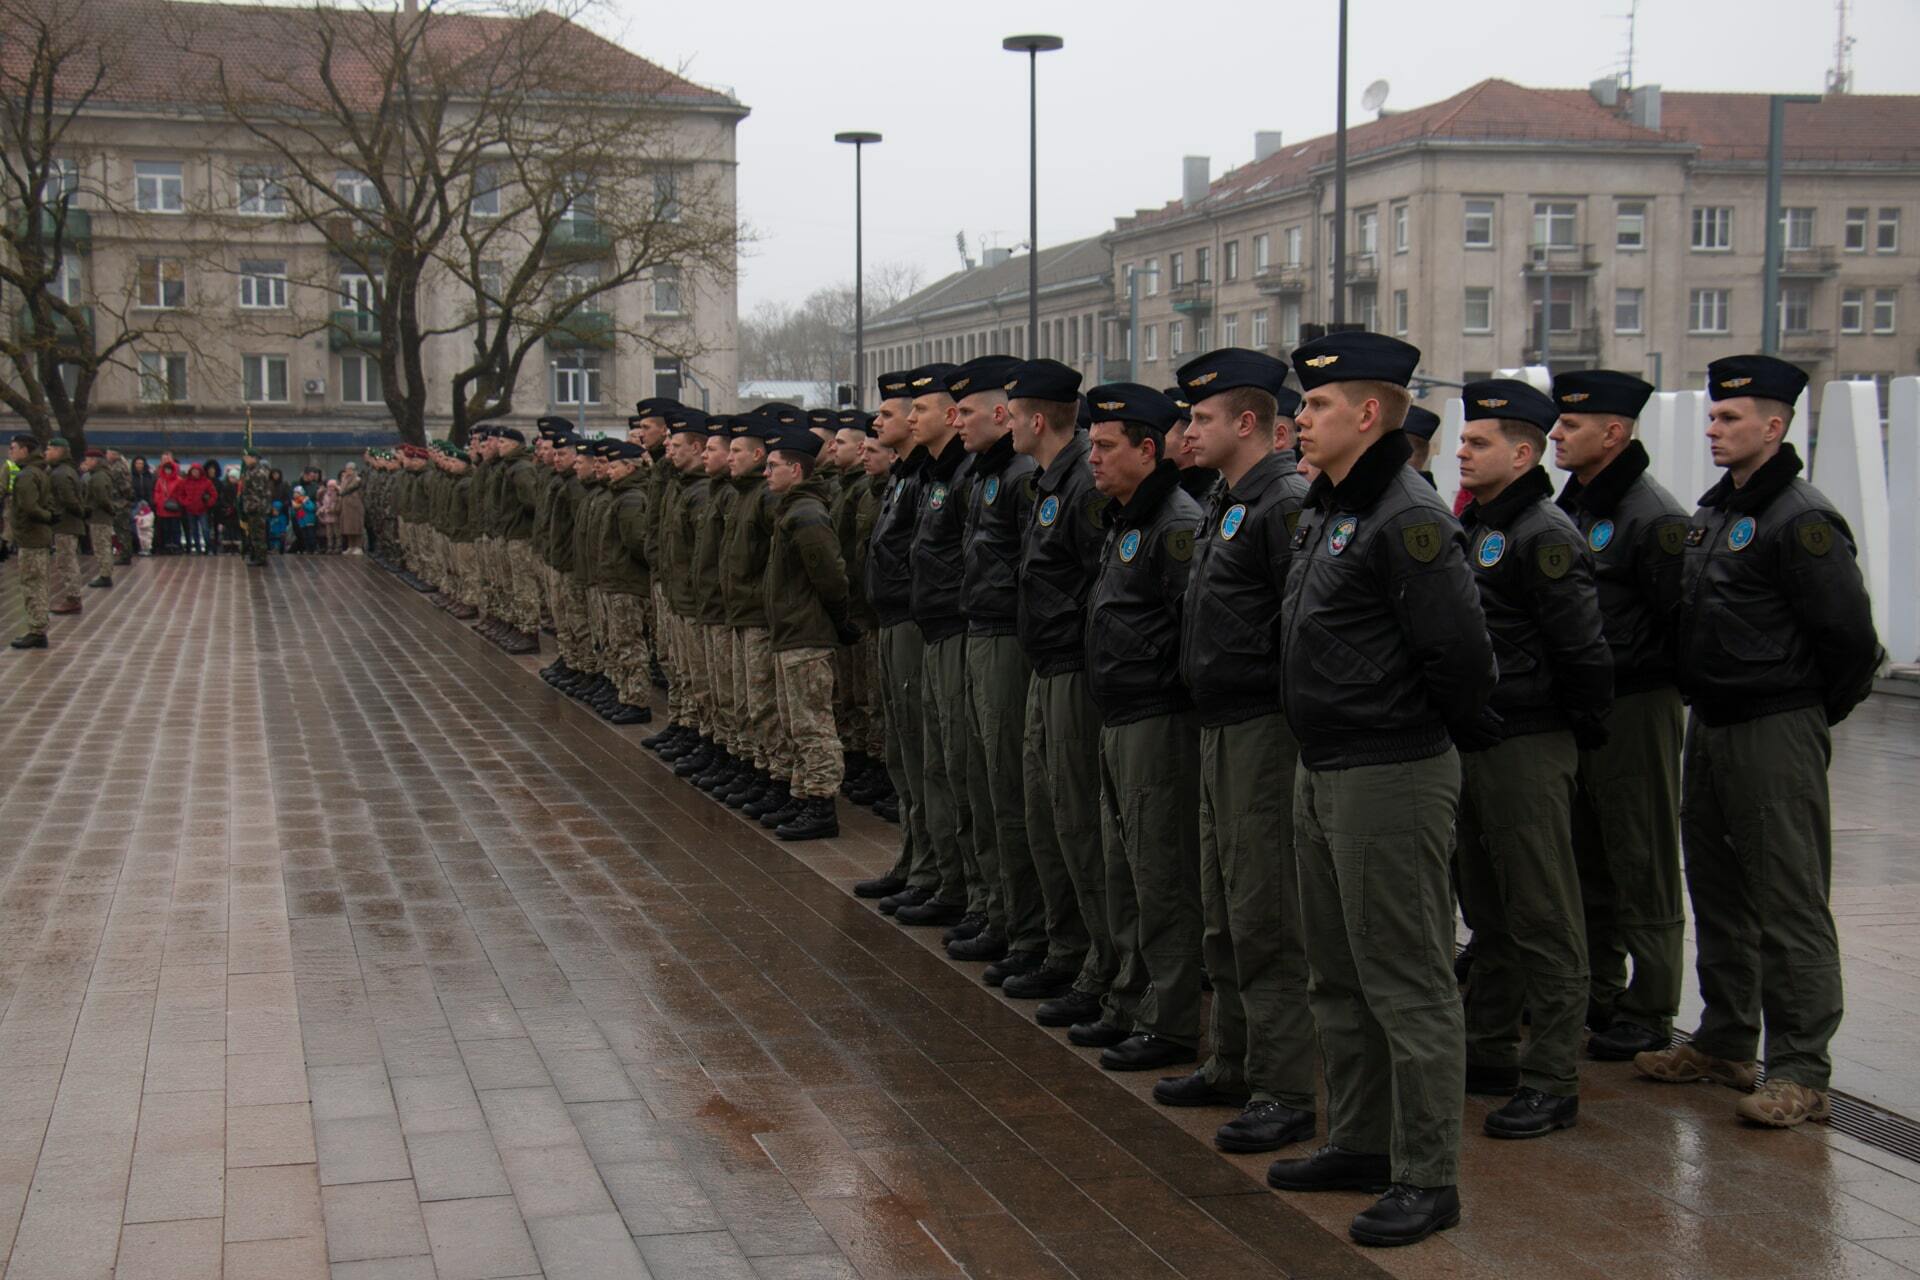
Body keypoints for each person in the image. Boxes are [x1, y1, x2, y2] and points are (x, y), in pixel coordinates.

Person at [1266, 331, 1495, 1249]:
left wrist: (1418, 740)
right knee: (1337, 973)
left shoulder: (1408, 515)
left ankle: (1427, 1172)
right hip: (1325, 764)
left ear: (1368, 413)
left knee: (1407, 980)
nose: (1301, 419)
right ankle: (1359, 1140)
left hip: (1390, 769)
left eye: (1316, 406)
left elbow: (1462, 657)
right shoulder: (1332, 506)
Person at [1635, 354, 1883, 1128]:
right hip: (1710, 725)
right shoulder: (1715, 513)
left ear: (1774, 427)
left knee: (1788, 898)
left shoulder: (1801, 519)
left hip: (1773, 728)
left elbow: (1850, 641)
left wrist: (1798, 714)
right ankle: (1725, 1039)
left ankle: (1802, 1067)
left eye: (1730, 418)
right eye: (1711, 416)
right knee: (1717, 887)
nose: (1714, 428)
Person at [1161, 348, 1319, 1155]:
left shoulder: (1284, 502)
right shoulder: (1232, 500)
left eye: (1202, 418)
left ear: (1247, 423)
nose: (1189, 431)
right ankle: (1232, 1060)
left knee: (1267, 912)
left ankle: (1285, 1086)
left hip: (1262, 727)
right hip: (1221, 723)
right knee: (1225, 903)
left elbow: (1300, 629)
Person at [1453, 378, 1612, 1140]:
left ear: (1522, 453)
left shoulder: (1544, 534)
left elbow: (1582, 650)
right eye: (1463, 438)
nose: (1461, 449)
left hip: (1528, 740)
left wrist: (1566, 727)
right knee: (1487, 908)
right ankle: (1487, 1049)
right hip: (1483, 737)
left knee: (1542, 909)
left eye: (1478, 441)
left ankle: (1551, 1075)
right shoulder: (1482, 526)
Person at [1547, 370, 1691, 1061]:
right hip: (1583, 704)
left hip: (1636, 703)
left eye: (1571, 426)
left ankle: (1653, 1002)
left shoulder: (1652, 515)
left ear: (1615, 432)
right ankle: (1600, 987)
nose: (1555, 435)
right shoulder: (1571, 508)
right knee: (1586, 853)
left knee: (1642, 852)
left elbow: (1685, 620)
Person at [1076, 383, 1204, 1074]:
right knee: (1122, 866)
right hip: (1119, 711)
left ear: (1147, 450)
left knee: (1161, 874)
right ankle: (1128, 997)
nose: (1092, 459)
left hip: (1157, 718)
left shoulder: (1174, 522)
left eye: (1105, 447)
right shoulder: (1126, 518)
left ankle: (1172, 1016)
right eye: (1091, 446)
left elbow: (1190, 627)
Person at [1007, 360, 1112, 1029]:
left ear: (1038, 419)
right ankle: (1065, 945)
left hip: (1074, 669)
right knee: (1046, 817)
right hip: (1046, 666)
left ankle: (1099, 964)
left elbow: (1098, 584)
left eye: (1014, 413)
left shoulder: (1082, 484)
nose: (1007, 422)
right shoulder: (1052, 479)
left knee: (1078, 823)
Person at [951, 356, 1051, 986]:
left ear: (1001, 414)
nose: (960, 422)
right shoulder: (984, 472)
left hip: (1008, 640)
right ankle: (998, 909)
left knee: (1011, 789)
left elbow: (1027, 570)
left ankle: (1026, 924)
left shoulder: (1018, 476)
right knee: (980, 778)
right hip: (978, 630)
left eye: (968, 411)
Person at [897, 363, 975, 931]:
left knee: (959, 768)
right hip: (931, 627)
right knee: (929, 761)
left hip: (957, 630)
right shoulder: (933, 474)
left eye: (918, 408)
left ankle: (963, 887)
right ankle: (937, 872)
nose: (906, 416)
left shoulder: (969, 474)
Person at [857, 372, 939, 910]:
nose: (879, 423)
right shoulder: (906, 476)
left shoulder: (928, 476)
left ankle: (934, 871)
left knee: (921, 747)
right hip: (892, 621)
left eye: (888, 415)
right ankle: (914, 858)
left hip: (914, 622)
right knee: (902, 751)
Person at [761, 420, 858, 839]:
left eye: (773, 466)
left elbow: (831, 578)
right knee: (796, 723)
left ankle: (821, 805)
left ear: (796, 471)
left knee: (813, 724)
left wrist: (839, 621)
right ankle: (802, 797)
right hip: (791, 632)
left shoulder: (807, 514)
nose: (766, 473)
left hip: (807, 634)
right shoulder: (792, 510)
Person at [7, 434, 54, 649]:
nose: (11, 452)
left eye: (14, 447)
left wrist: (47, 517)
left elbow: (28, 508)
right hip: (37, 536)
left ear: (25, 450)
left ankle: (37, 630)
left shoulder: (27, 475)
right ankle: (39, 626)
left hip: (31, 537)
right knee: (38, 582)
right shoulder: (40, 471)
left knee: (32, 583)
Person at [45, 436, 85, 615]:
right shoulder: (65, 470)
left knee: (66, 561)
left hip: (65, 524)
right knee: (66, 560)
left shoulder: (61, 473)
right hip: (67, 523)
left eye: (50, 449)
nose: (46, 452)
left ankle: (73, 598)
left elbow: (69, 500)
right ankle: (72, 596)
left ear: (59, 451)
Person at [82, 448, 118, 589]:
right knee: (102, 546)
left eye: (88, 459)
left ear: (94, 460)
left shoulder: (99, 476)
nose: (86, 462)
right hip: (100, 516)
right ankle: (105, 574)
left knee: (101, 547)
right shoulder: (100, 475)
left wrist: (109, 510)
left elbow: (102, 498)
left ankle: (105, 575)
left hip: (100, 517)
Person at [240, 449, 272, 567]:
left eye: (247, 457)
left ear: (254, 458)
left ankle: (261, 557)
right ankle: (257, 555)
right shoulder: (251, 470)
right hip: (252, 506)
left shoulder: (258, 472)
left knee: (258, 533)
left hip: (257, 507)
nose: (245, 459)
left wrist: (253, 505)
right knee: (254, 533)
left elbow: (259, 492)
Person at [179, 462, 216, 553]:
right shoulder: (185, 482)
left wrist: (208, 503)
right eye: (193, 471)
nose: (195, 473)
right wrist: (186, 503)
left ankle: (208, 547)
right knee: (193, 530)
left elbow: (213, 495)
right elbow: (181, 495)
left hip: (202, 510)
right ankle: (198, 548)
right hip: (190, 510)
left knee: (205, 530)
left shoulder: (207, 482)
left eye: (197, 471)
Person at [152, 454, 182, 553]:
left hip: (174, 508)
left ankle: (176, 545)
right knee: (166, 529)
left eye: (169, 469)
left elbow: (181, 492)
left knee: (175, 529)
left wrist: (176, 500)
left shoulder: (178, 480)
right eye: (166, 469)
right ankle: (167, 546)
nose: (167, 471)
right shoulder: (160, 480)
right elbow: (157, 491)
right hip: (163, 508)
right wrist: (159, 501)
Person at [337, 463, 366, 554]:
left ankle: (358, 546)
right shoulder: (345, 479)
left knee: (356, 526)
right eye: (346, 469)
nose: (347, 471)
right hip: (346, 507)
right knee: (348, 527)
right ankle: (351, 546)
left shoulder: (357, 479)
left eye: (349, 469)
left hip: (355, 506)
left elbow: (346, 490)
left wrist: (343, 483)